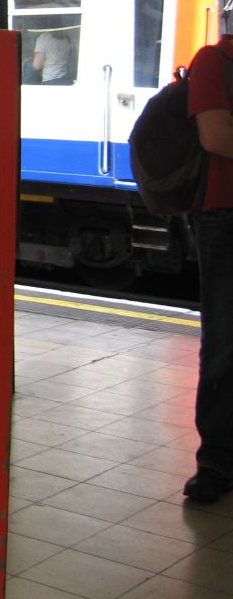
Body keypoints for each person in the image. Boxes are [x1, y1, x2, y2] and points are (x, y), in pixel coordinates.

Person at [186, 35, 233, 502]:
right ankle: (216, 461)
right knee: (225, 345)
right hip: (226, 215)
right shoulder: (216, 61)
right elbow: (216, 135)